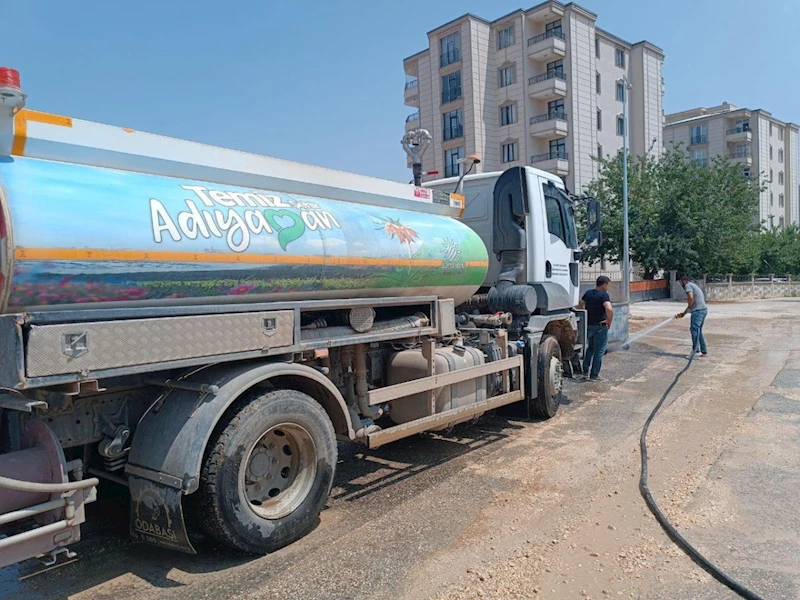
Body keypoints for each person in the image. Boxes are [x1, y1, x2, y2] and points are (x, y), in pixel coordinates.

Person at [578, 276, 614, 381]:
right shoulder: (604, 295)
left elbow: (580, 304)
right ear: (603, 285)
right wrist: (609, 321)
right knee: (599, 351)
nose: (608, 287)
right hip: (600, 326)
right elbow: (609, 308)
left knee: (590, 349)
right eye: (607, 285)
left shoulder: (588, 293)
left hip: (589, 326)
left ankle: (584, 372)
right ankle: (594, 375)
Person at [676, 276, 708, 357]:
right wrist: (683, 314)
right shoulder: (693, 285)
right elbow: (692, 302)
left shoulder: (687, 286)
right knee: (698, 330)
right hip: (703, 310)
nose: (680, 284)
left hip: (698, 312)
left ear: (684, 281)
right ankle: (703, 351)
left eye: (680, 282)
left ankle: (696, 351)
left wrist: (689, 307)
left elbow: (690, 298)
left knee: (694, 330)